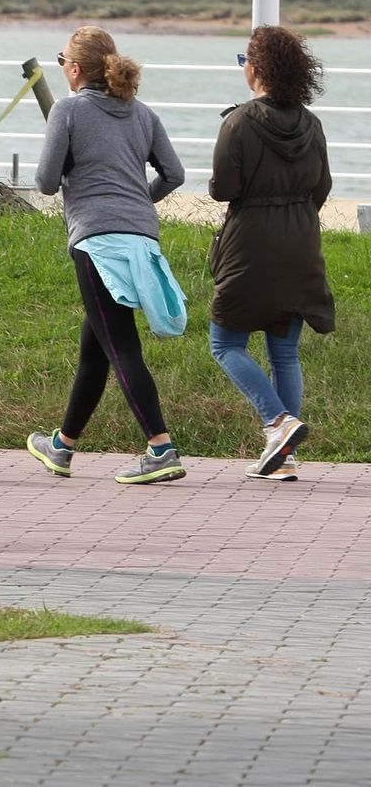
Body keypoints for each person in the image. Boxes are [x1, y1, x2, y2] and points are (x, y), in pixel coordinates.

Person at [26, 25, 189, 485]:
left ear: (74, 69)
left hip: (98, 241)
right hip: (141, 239)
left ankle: (161, 447)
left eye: (63, 62)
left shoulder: (68, 110)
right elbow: (173, 173)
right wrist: (137, 200)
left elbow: (44, 181)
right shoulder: (141, 113)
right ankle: (62, 446)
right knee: (95, 348)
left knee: (121, 346)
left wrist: (95, 194)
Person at [208, 26, 335, 481]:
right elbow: (323, 186)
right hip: (302, 241)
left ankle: (278, 422)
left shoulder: (238, 122)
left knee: (225, 343)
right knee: (285, 352)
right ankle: (284, 456)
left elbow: (224, 188)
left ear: (256, 68)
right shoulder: (311, 124)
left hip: (251, 243)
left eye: (245, 59)